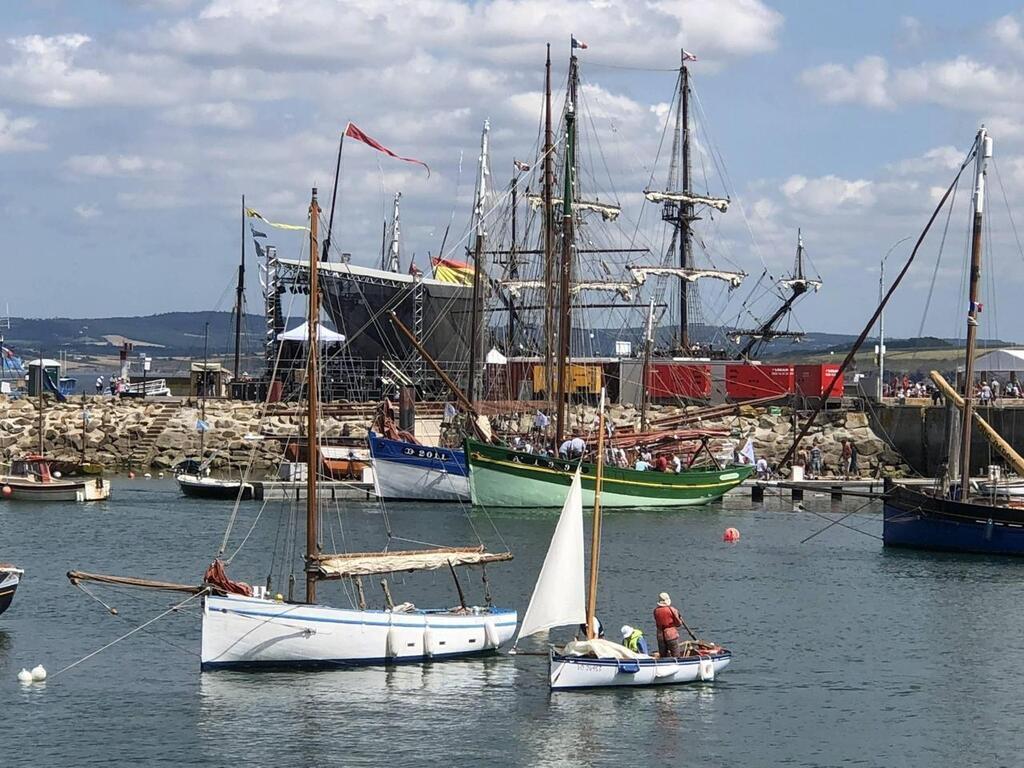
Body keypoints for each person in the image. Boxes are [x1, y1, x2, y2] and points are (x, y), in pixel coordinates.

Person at [653, 592, 685, 658]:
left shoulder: (656, 611)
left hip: (660, 635)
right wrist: (680, 621)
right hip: (671, 635)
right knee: (676, 655)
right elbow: (678, 624)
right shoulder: (672, 610)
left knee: (663, 655)